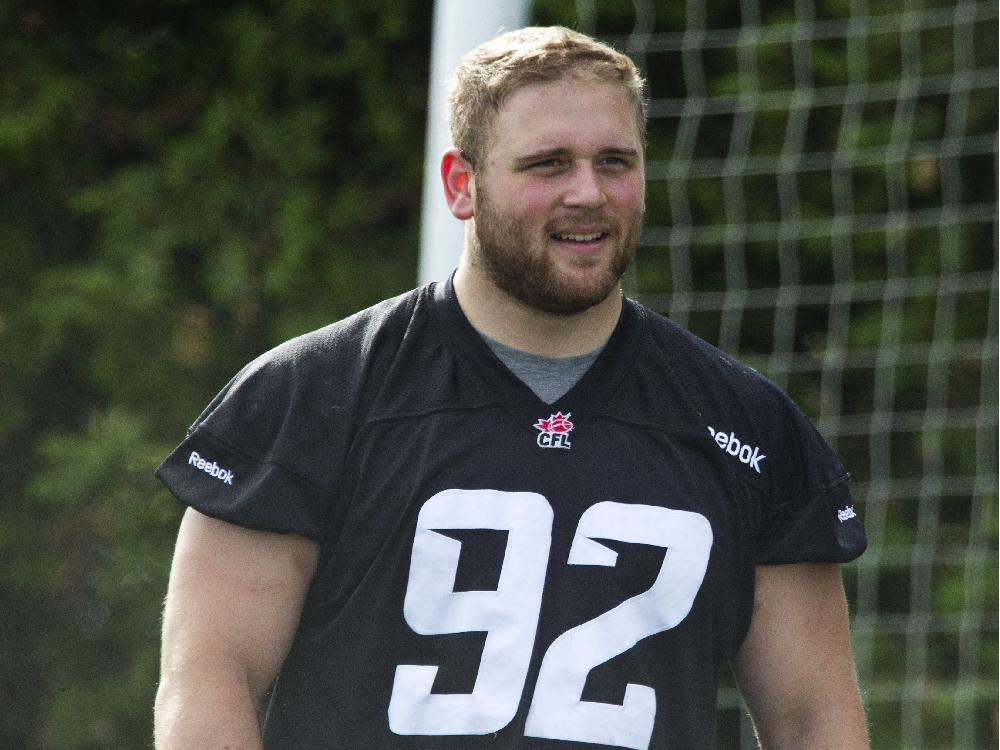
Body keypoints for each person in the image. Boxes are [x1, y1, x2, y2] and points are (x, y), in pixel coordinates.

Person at [153, 26, 870, 749]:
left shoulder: (750, 430)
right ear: (461, 186)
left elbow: (815, 720)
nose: (588, 193)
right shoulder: (309, 398)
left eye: (615, 161)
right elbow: (211, 676)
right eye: (548, 164)